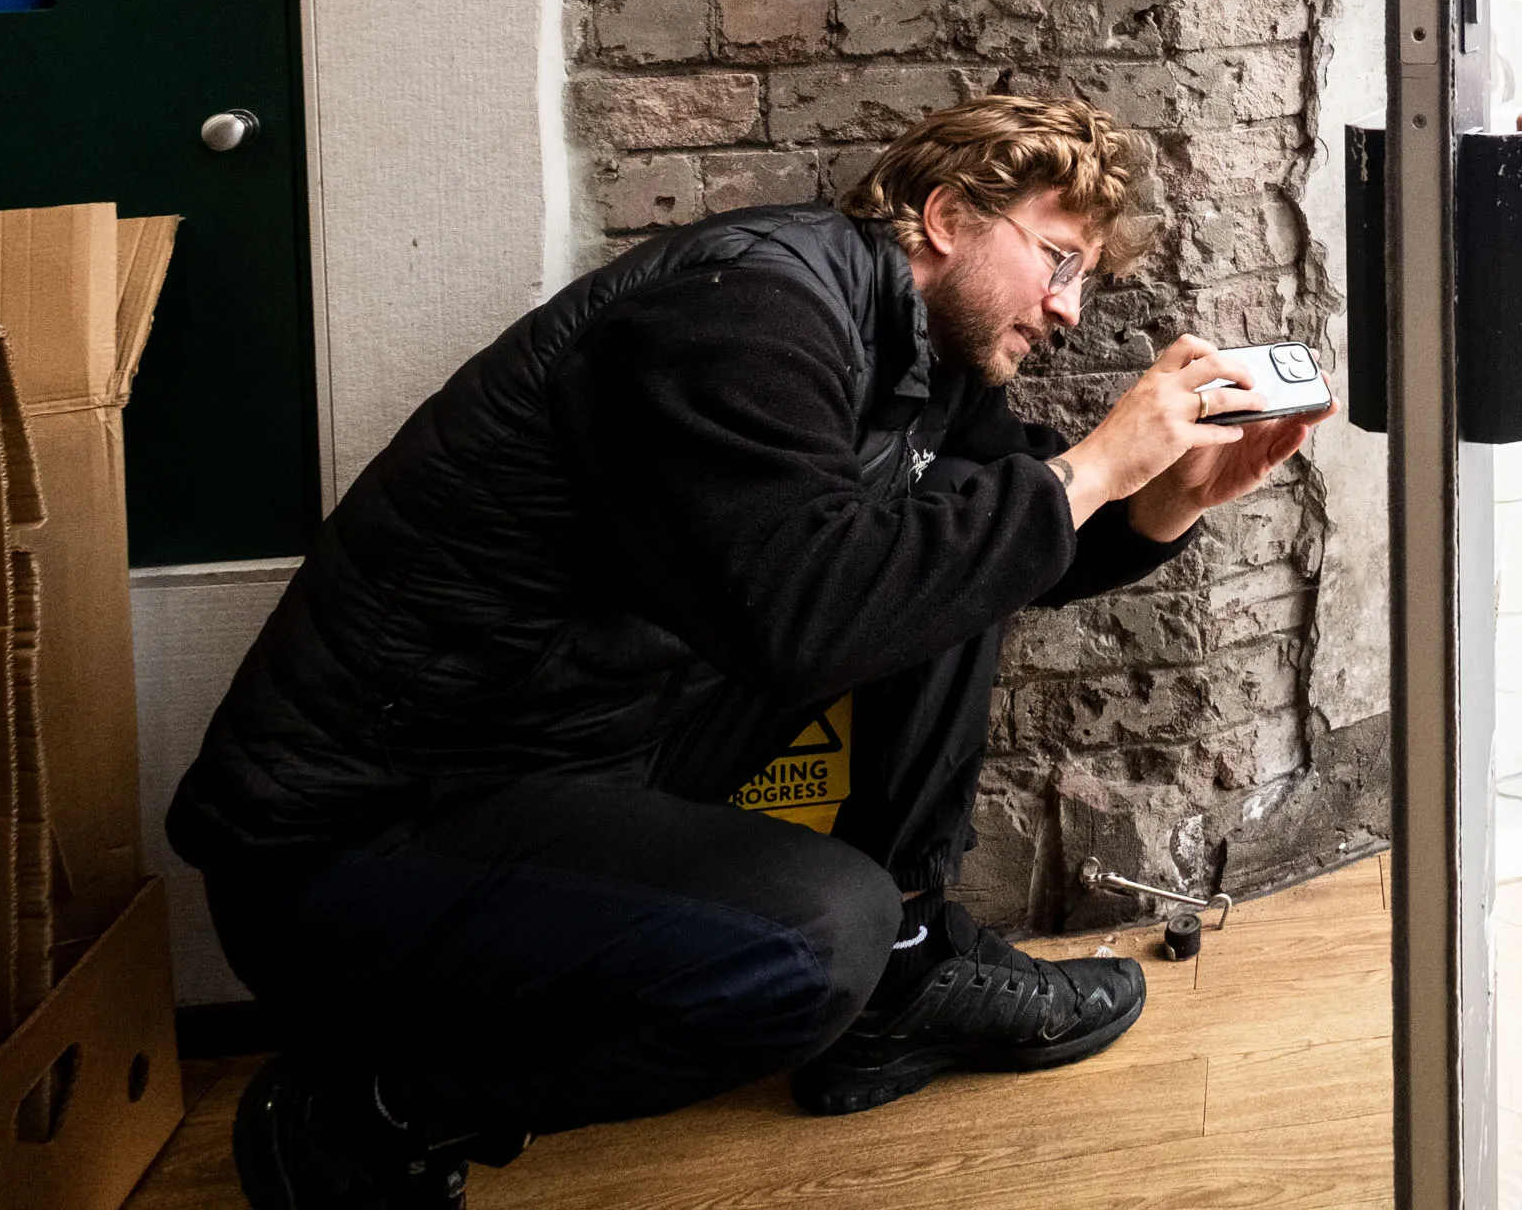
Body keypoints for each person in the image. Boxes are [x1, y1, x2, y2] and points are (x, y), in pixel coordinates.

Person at [167, 98, 1314, 1210]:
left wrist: (1162, 504)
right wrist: (1092, 466)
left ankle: (905, 975)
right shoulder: (743, 312)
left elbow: (989, 546)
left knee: (969, 514)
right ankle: (371, 1108)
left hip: (568, 753)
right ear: (950, 216)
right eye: (1058, 260)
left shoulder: (914, 356)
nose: (1068, 309)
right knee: (818, 935)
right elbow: (807, 617)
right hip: (355, 844)